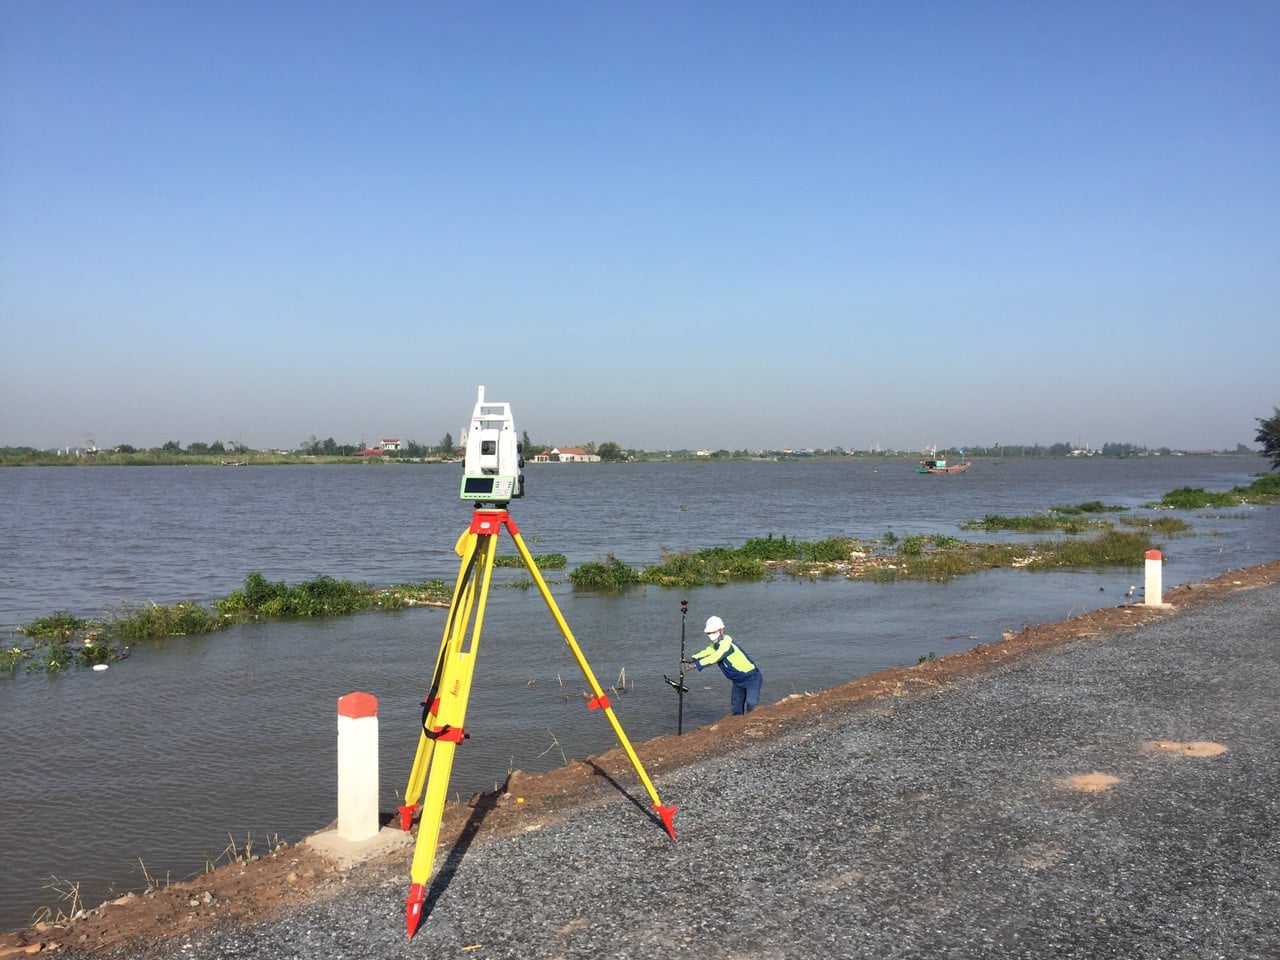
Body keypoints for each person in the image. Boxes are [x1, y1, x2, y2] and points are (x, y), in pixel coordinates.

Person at [683, 615, 763, 715]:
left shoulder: (727, 645)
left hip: (751, 678)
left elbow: (715, 657)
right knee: (736, 707)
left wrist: (696, 665)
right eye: (708, 633)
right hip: (737, 681)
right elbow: (708, 651)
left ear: (721, 630)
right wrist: (692, 658)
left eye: (713, 632)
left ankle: (755, 724)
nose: (711, 635)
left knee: (752, 704)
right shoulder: (715, 644)